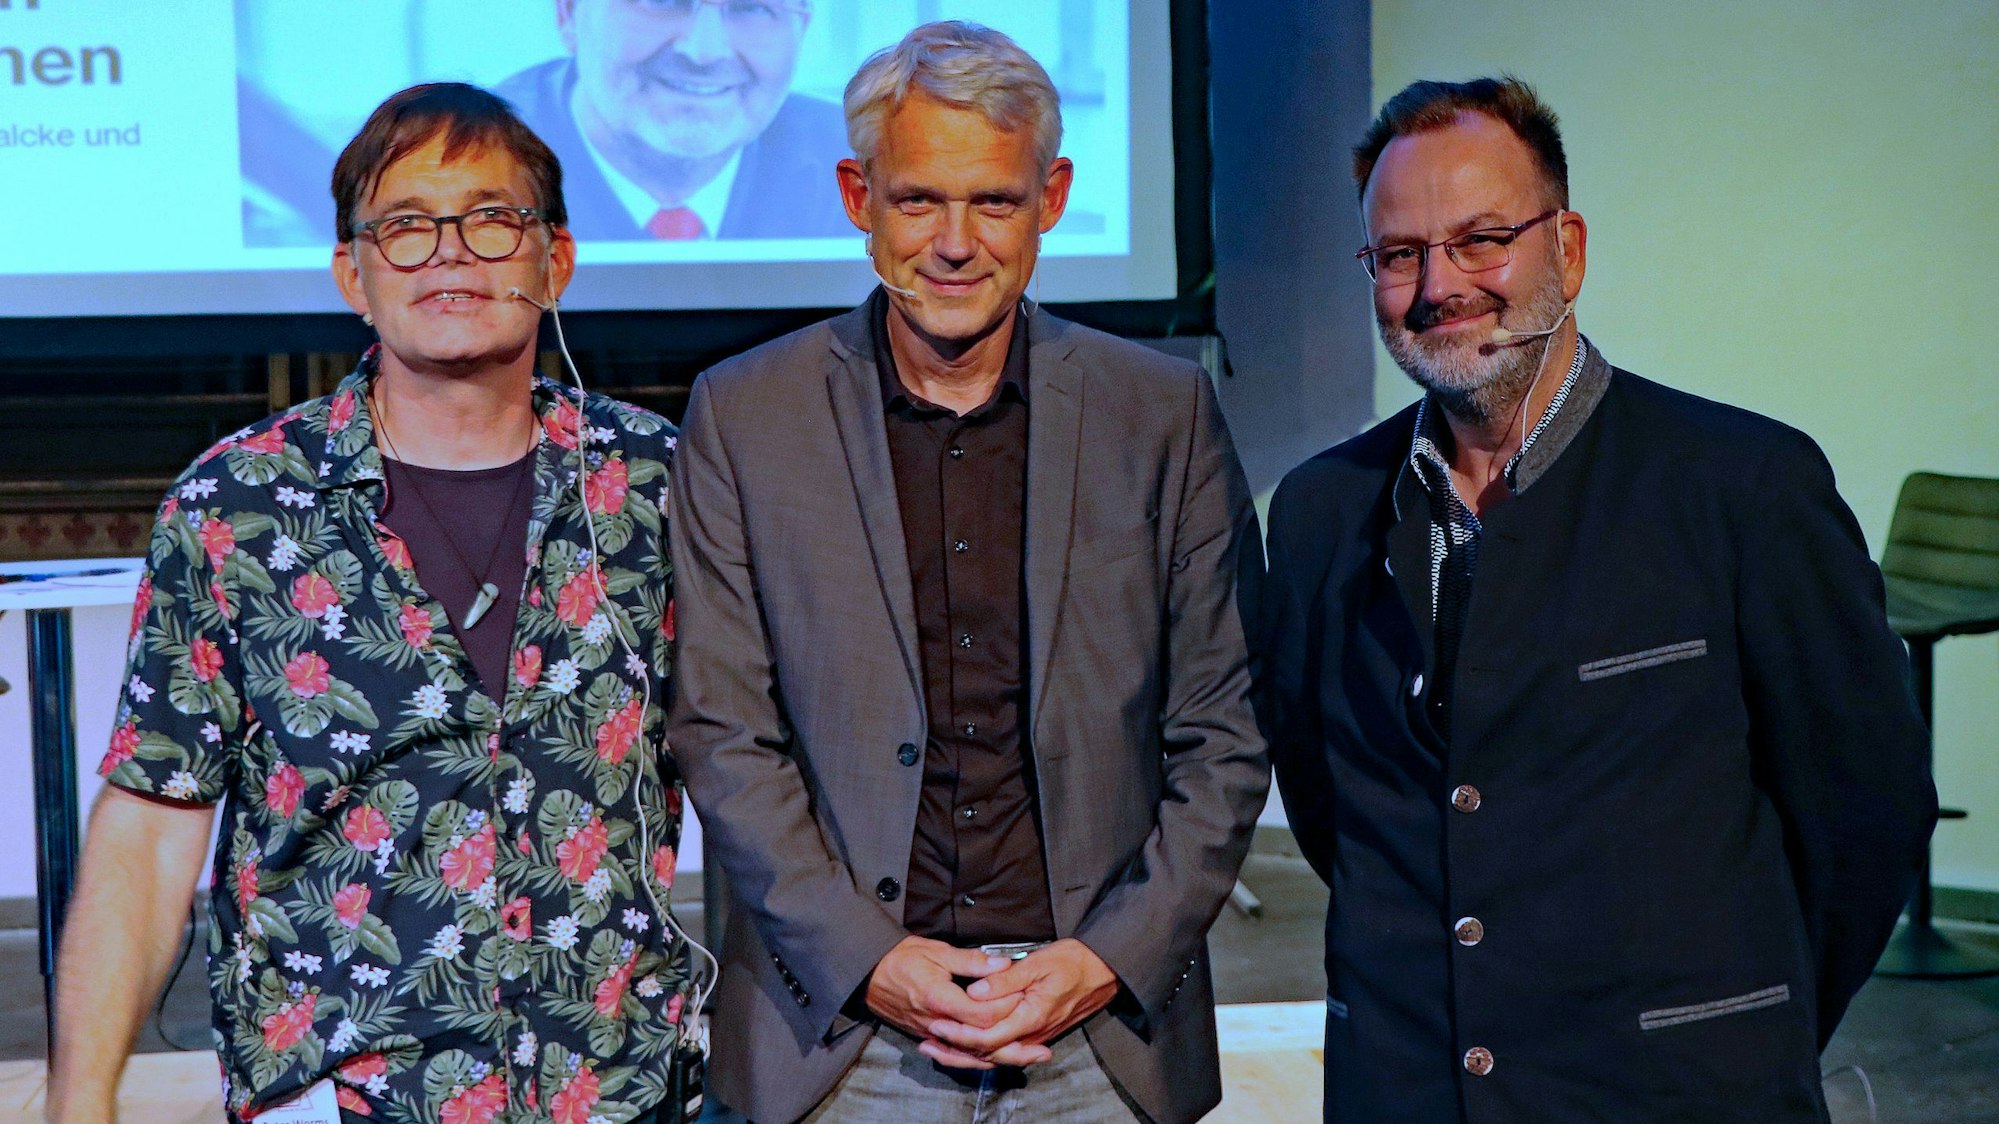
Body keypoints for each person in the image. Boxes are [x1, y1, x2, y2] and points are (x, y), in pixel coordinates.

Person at [1260, 76, 1937, 1123]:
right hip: (1406, 1091)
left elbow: (1865, 810)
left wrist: (1742, 1029)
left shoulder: (1743, 487)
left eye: (1482, 239)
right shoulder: (1316, 514)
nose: (1438, 284)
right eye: (1399, 254)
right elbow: (1326, 805)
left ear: (1566, 250)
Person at [49, 83, 694, 1123]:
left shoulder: (664, 486)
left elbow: (753, 773)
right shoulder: (237, 503)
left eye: (492, 219)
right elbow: (151, 828)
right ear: (353, 273)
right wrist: (80, 1102)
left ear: (555, 259)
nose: (451, 252)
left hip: (612, 1090)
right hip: (341, 1094)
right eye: (406, 226)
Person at [665, 21, 1267, 1124]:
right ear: (857, 195)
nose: (954, 241)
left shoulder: (1160, 414)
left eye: (992, 200)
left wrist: (1100, 957)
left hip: (1098, 1027)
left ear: (1051, 196)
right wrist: (872, 958)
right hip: (840, 1031)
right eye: (916, 200)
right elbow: (720, 729)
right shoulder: (745, 414)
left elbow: (1223, 730)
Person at [494, 0, 851, 241]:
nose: (705, 52)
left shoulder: (861, 162)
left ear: (801, 31)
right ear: (569, 14)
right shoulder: (478, 158)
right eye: (663, 1)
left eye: (751, 7)